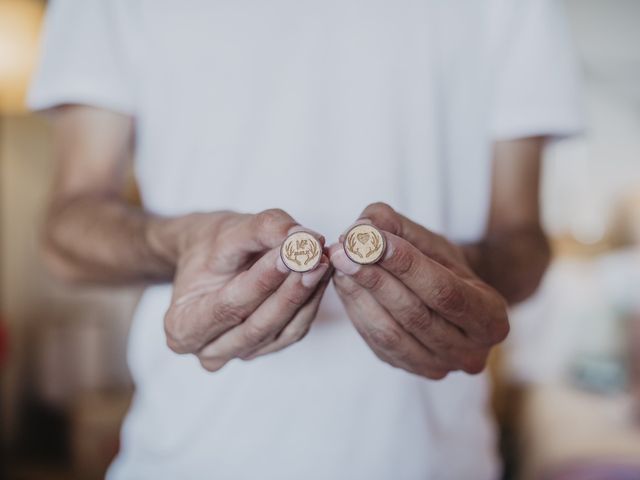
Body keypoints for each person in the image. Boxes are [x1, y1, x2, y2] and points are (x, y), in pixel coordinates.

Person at [29, 0, 582, 478]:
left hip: (433, 465)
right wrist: (180, 243)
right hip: (187, 459)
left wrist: (456, 277)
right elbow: (67, 230)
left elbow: (523, 242)